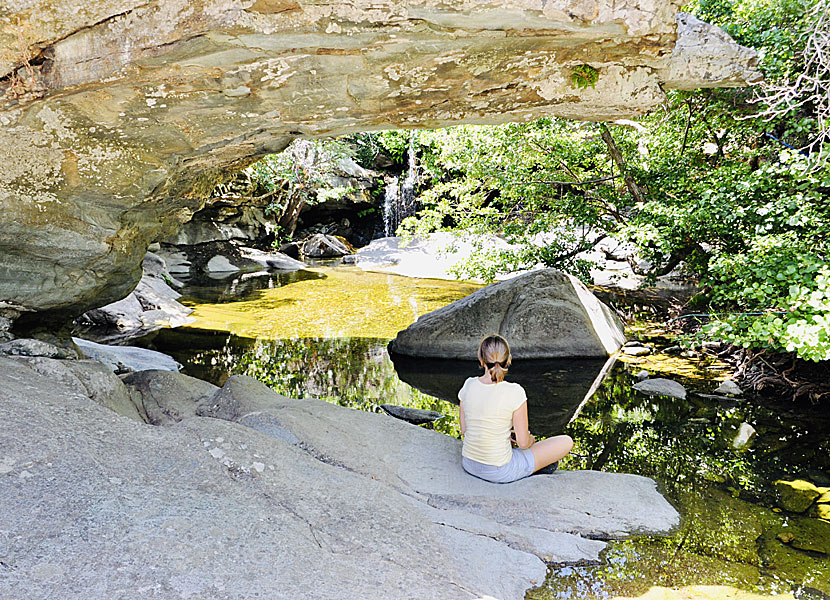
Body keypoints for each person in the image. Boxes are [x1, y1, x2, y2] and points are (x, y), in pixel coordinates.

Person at [458, 334, 573, 483]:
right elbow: (524, 443)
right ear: (508, 359)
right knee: (566, 441)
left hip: (469, 464)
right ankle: (534, 468)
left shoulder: (468, 385)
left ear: (481, 359)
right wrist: (531, 440)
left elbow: (465, 430)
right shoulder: (515, 391)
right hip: (500, 471)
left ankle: (534, 465)